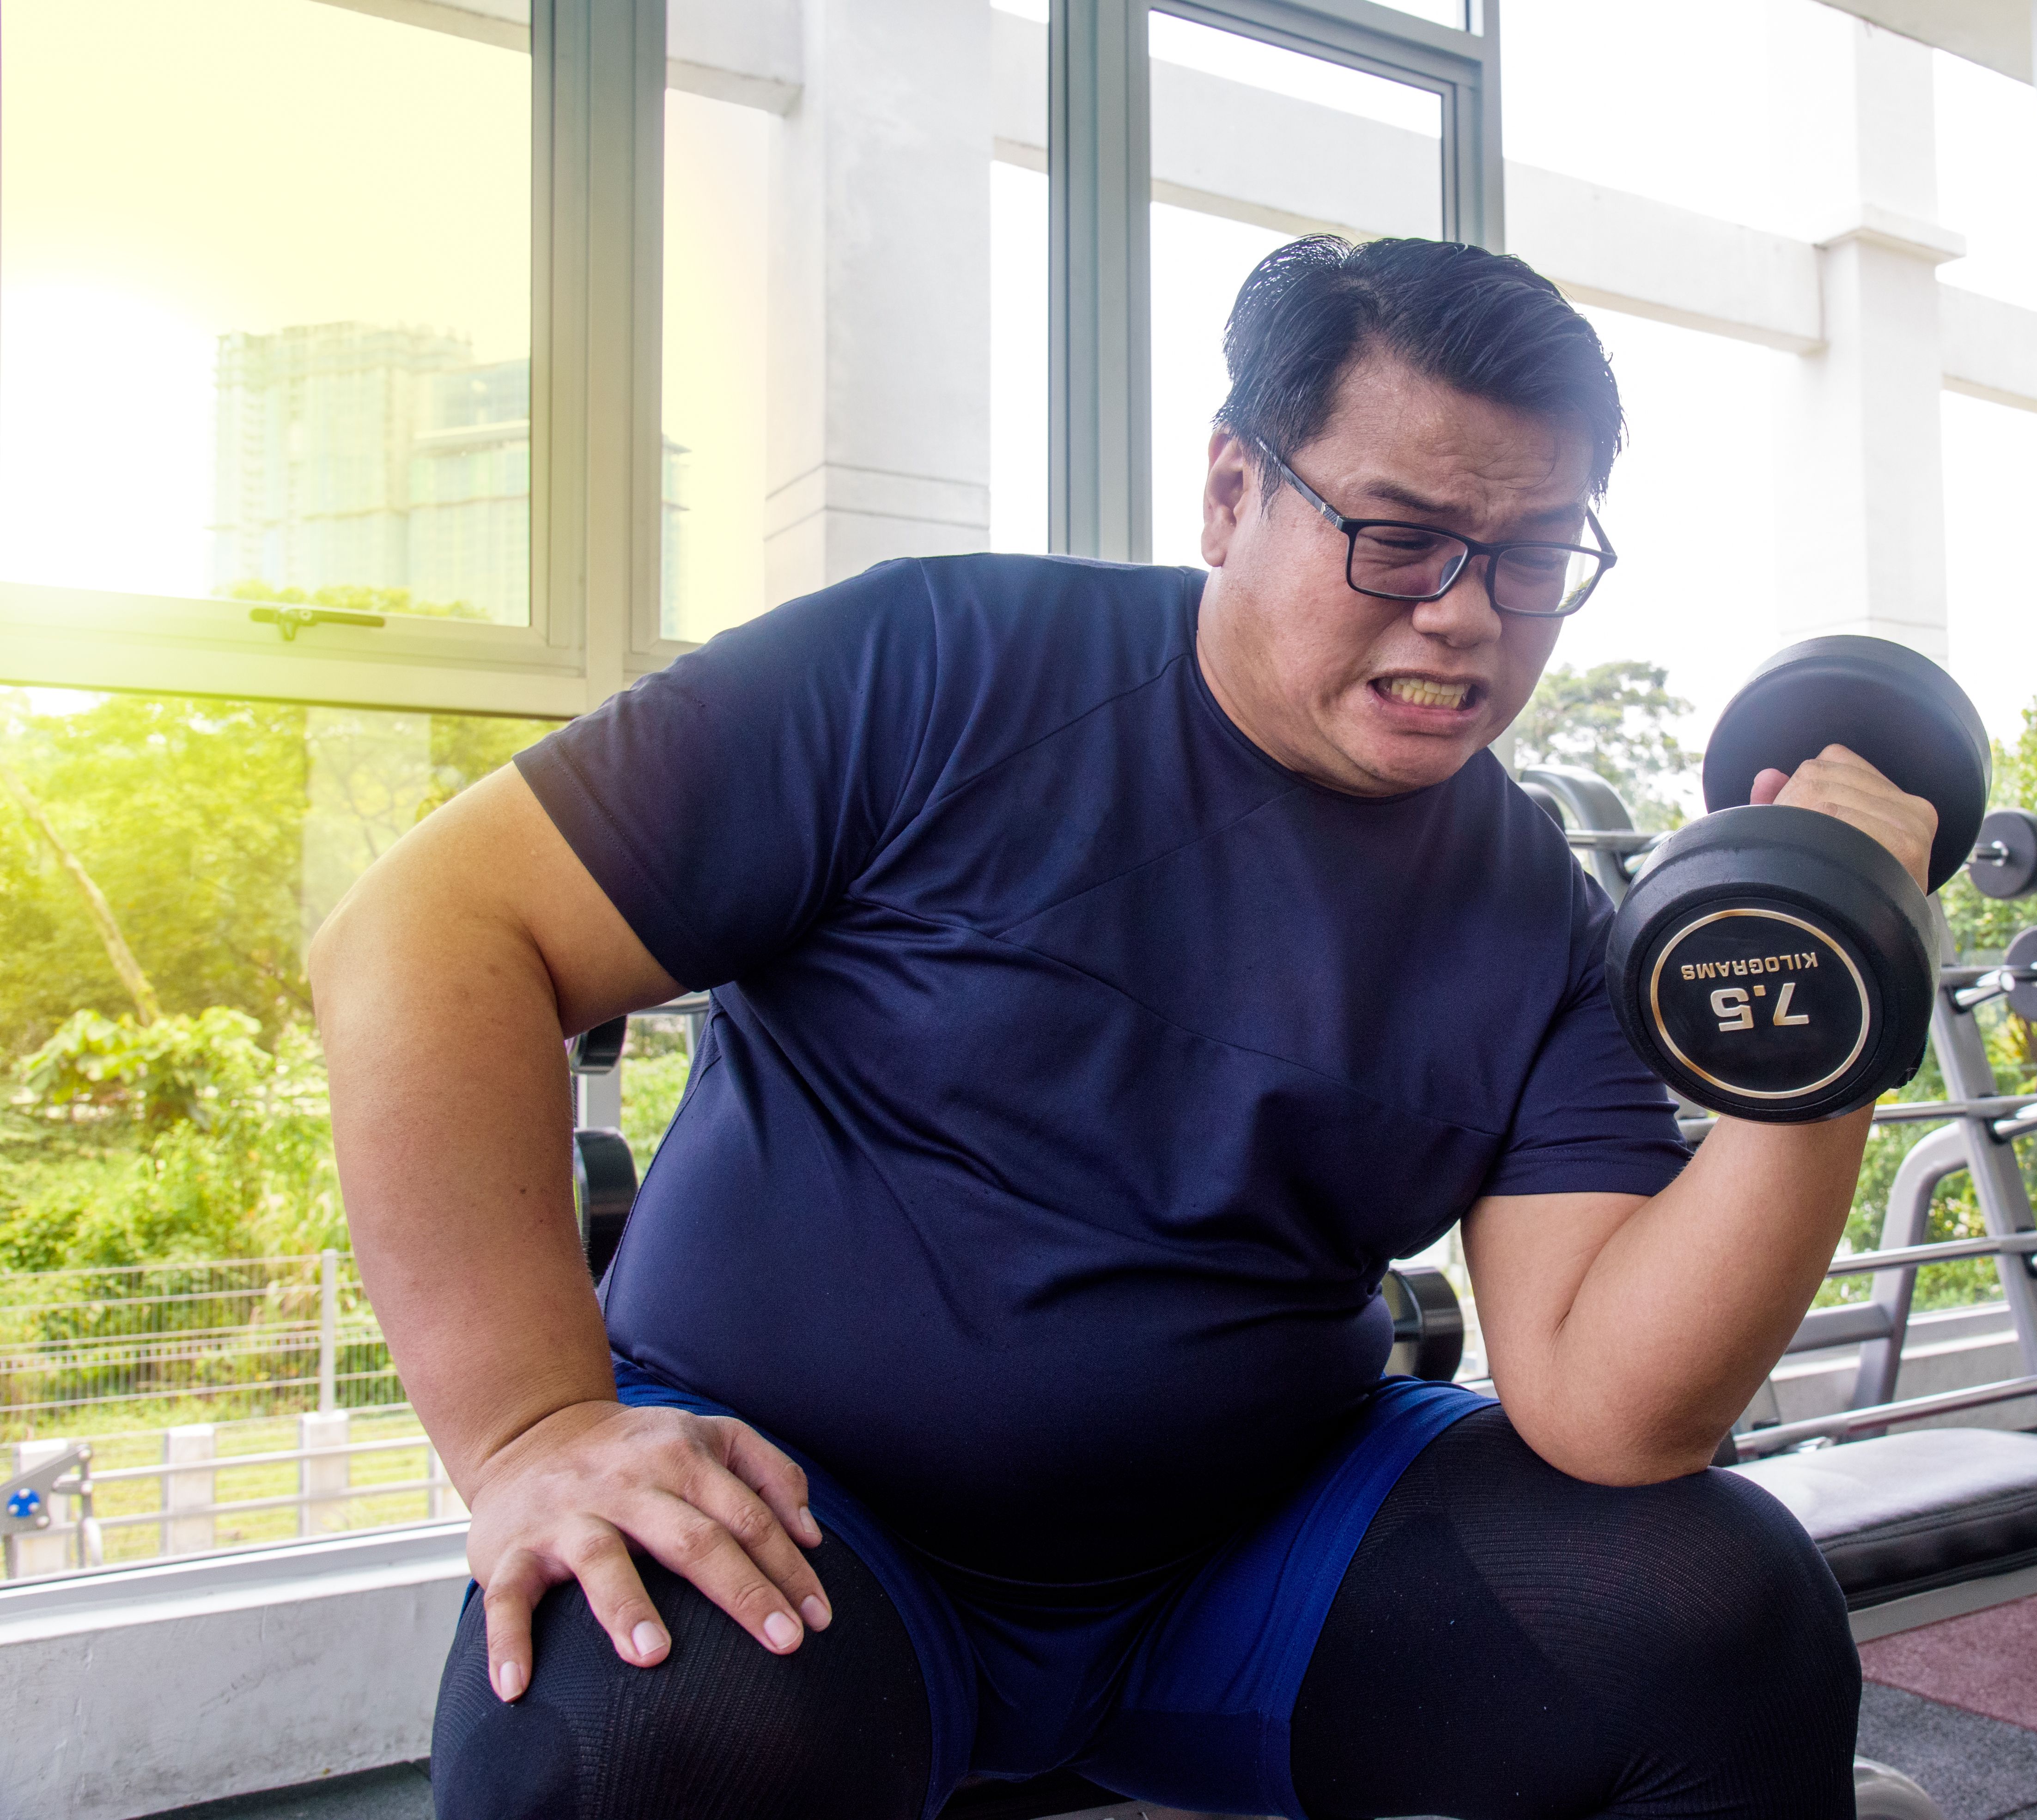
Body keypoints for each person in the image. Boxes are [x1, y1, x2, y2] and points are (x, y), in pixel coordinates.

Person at [312, 235, 1935, 1820]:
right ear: (1233, 491)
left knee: (1723, 1607)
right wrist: (536, 1426)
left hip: (1248, 1564)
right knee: (629, 1742)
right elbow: (430, 929)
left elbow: (1609, 1404)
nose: (1465, 613)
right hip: (813, 1517)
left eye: (1529, 557)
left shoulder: (1542, 919)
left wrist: (1824, 1002)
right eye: (1398, 534)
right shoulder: (936, 666)